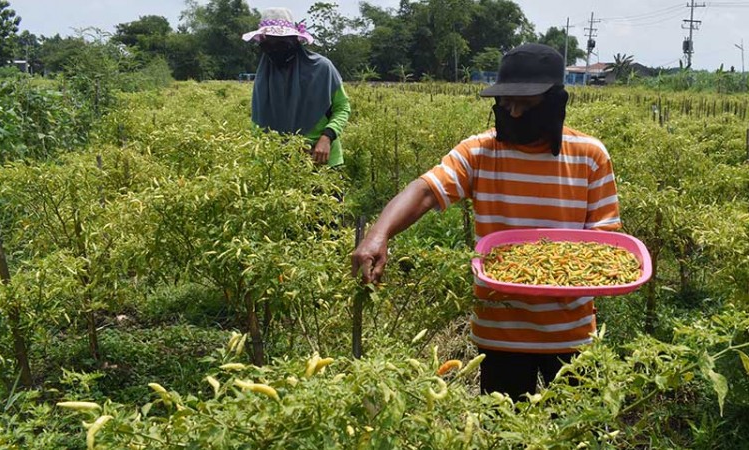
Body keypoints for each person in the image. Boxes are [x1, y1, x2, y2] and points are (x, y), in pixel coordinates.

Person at [351, 43, 621, 401]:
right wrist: (378, 234)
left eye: (526, 103)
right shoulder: (479, 152)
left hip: (570, 331)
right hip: (500, 329)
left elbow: (603, 243)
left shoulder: (589, 156)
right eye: (506, 102)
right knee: (505, 427)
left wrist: (567, 274)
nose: (512, 111)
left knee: (576, 431)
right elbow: (426, 190)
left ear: (556, 101)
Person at [242, 8, 351, 167]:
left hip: (322, 160)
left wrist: (327, 137)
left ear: (294, 41)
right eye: (269, 44)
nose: (275, 50)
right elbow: (258, 123)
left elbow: (342, 107)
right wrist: (261, 162)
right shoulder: (265, 76)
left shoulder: (322, 69)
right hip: (279, 166)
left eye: (281, 44)